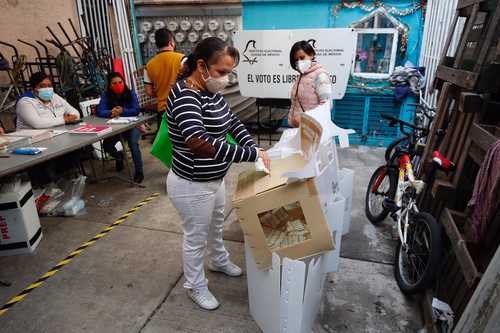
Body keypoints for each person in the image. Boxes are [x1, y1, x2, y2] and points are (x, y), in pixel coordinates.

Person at [166, 37, 271, 311]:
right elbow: (198, 142)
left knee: (215, 226)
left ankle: (219, 260)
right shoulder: (185, 94)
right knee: (195, 237)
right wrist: (249, 156)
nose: (225, 78)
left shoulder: (209, 91)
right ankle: (195, 286)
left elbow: (232, 121)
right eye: (221, 72)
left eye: (229, 72)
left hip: (214, 179)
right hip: (192, 184)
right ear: (201, 65)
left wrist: (250, 144)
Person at [96, 72, 144, 183]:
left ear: (124, 82)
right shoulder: (106, 96)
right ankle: (119, 156)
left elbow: (136, 110)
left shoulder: (130, 93)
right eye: (114, 83)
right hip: (116, 128)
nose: (118, 85)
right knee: (107, 145)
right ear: (109, 85)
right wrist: (111, 112)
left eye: (120, 82)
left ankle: (139, 172)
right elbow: (100, 111)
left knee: (133, 143)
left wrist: (122, 111)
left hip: (132, 126)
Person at [288, 40, 332, 128]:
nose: (299, 62)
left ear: (311, 55)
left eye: (302, 57)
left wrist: (304, 120)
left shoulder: (320, 75)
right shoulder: (302, 75)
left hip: (311, 130)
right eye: (296, 60)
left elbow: (327, 105)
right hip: (299, 129)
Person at [16, 72, 80, 129]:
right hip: (32, 139)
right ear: (33, 88)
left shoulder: (54, 97)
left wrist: (71, 117)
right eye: (42, 86)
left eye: (49, 86)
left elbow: (75, 112)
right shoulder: (25, 102)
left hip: (57, 133)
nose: (47, 89)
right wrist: (64, 119)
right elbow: (37, 123)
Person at [144, 28, 184, 114]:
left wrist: (161, 92)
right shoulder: (182, 59)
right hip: (182, 106)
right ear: (171, 42)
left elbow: (149, 92)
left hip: (163, 109)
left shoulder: (149, 65)